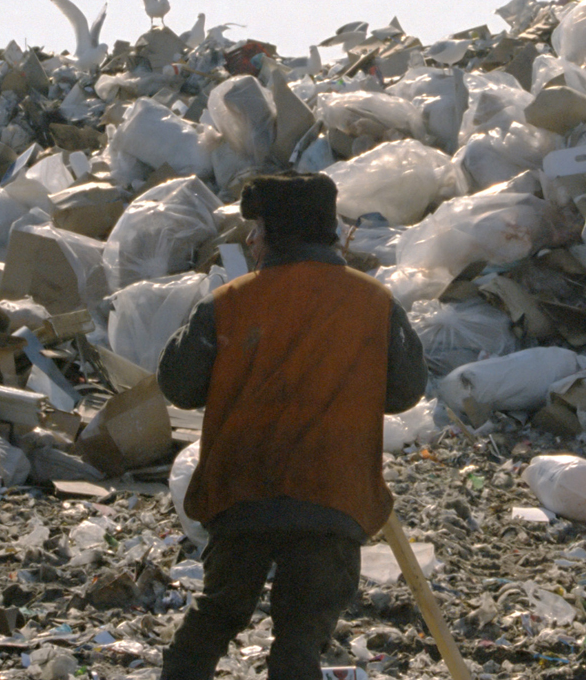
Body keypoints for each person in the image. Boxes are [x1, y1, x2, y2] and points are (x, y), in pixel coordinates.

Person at [158, 173, 425, 680]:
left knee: (218, 613)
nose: (249, 240)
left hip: (242, 493)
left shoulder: (228, 302)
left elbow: (180, 387)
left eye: (253, 228)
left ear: (271, 231)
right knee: (302, 633)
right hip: (332, 496)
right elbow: (405, 392)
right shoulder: (375, 303)